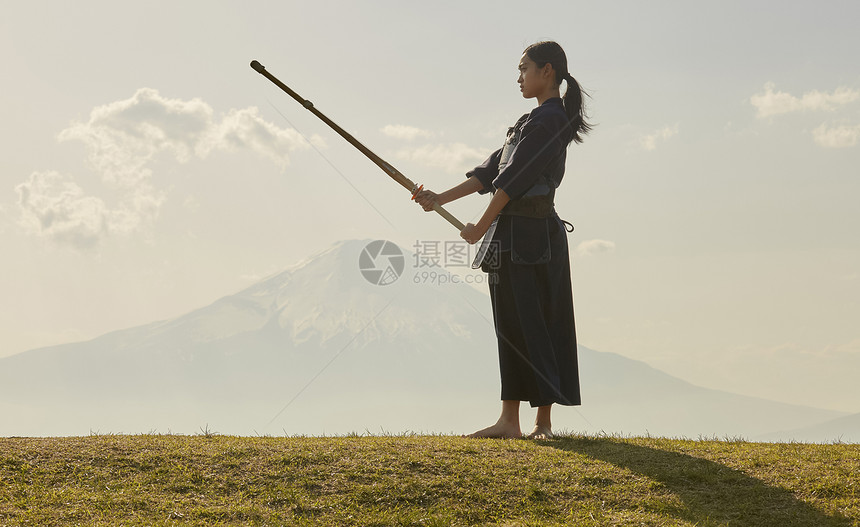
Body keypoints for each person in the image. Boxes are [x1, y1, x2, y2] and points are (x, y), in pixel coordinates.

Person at [414, 41, 590, 439]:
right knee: (509, 325)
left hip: (536, 239)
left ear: (547, 71)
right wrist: (438, 197)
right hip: (508, 237)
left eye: (523, 68)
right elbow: (490, 172)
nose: (519, 77)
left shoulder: (551, 120)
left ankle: (542, 423)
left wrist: (478, 227)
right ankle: (508, 421)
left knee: (539, 323)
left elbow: (513, 182)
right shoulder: (527, 121)